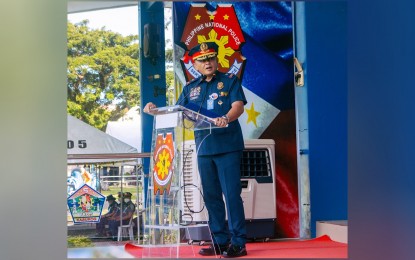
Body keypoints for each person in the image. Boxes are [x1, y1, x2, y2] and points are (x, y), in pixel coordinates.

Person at [144, 42, 248, 258]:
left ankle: (238, 243)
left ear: (217, 60)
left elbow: (238, 105)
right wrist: (155, 111)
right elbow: (177, 112)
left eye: (211, 58)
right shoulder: (191, 88)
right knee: (211, 197)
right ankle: (220, 241)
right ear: (195, 65)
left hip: (227, 146)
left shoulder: (229, 81)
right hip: (204, 148)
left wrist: (226, 118)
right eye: (202, 60)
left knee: (231, 195)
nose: (207, 63)